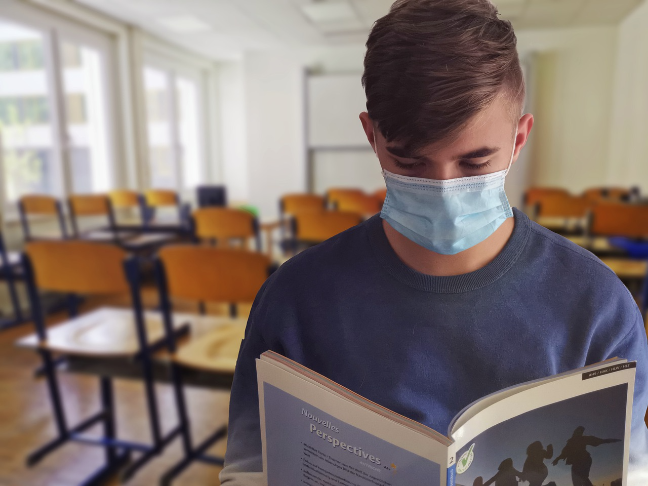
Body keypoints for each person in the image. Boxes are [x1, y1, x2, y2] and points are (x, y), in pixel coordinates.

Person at [219, 1, 648, 484]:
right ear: (372, 136)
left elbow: (628, 470)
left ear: (518, 138)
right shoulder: (295, 299)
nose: (443, 187)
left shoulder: (598, 306)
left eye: (474, 164)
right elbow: (250, 469)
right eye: (411, 162)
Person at [552, 426, 622, 486]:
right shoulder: (570, 442)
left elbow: (599, 441)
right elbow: (564, 453)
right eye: (578, 432)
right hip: (576, 463)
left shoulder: (583, 439)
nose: (579, 433)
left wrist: (610, 440)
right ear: (575, 432)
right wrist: (557, 459)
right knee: (578, 480)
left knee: (583, 477)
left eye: (580, 432)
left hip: (584, 460)